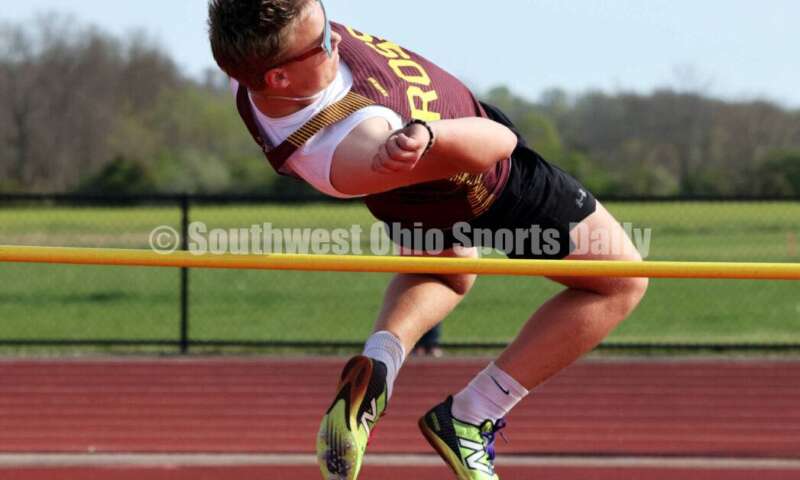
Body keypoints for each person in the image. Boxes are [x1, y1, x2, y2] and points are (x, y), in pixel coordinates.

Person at [208, 1, 648, 479]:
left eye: (328, 20)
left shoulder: (256, 56)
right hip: (488, 184)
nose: (336, 38)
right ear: (279, 79)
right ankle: (472, 415)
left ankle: (379, 363)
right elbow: (497, 141)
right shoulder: (349, 147)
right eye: (322, 42)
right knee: (620, 281)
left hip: (412, 195)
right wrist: (427, 136)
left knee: (448, 272)